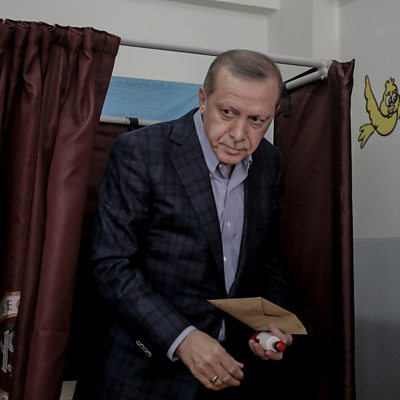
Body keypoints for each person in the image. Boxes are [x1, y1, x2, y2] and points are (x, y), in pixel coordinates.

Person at [73, 49, 293, 400]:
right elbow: (110, 266)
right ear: (203, 99)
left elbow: (268, 258)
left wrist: (268, 323)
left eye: (257, 120)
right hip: (141, 372)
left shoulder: (270, 163)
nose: (239, 134)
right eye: (228, 112)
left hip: (229, 371)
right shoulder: (141, 152)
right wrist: (183, 338)